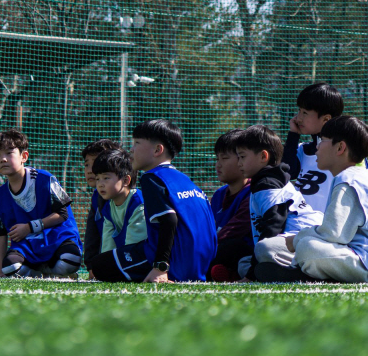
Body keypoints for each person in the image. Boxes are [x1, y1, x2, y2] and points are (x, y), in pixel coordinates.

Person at [283, 115, 368, 283]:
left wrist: (297, 239)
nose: (318, 147)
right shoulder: (356, 176)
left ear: (340, 147)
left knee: (307, 247)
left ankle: (302, 272)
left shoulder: (348, 181)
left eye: (323, 140)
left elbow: (332, 234)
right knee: (302, 244)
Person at [130, 119, 217, 283]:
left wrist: (160, 268)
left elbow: (169, 219)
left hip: (174, 265)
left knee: (101, 265)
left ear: (157, 149)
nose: (131, 149)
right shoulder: (186, 180)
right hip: (202, 266)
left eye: (136, 143)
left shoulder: (152, 177)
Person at [234, 124, 322, 281]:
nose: (238, 162)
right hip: (300, 242)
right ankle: (292, 271)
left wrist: (250, 276)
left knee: (263, 249)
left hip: (306, 242)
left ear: (263, 156)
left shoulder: (267, 183)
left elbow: (274, 224)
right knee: (244, 262)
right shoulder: (266, 179)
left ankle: (306, 273)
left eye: (242, 157)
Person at [0, 130, 82, 278]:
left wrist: (29, 227)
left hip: (56, 238)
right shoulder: (0, 196)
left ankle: (52, 270)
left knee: (71, 259)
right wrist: (0, 271)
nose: (3, 159)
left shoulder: (45, 179)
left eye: (9, 153)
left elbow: (63, 214)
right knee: (9, 268)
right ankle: (44, 271)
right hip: (27, 247)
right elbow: (1, 234)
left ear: (24, 156)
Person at [87, 148, 149, 282]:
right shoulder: (108, 206)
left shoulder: (138, 203)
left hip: (145, 257)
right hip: (127, 255)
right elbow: (107, 245)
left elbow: (134, 247)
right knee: (98, 264)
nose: (100, 184)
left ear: (126, 180)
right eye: (97, 179)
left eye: (106, 178)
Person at [281, 83, 344, 215]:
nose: (298, 118)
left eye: (305, 113)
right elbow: (287, 173)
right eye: (299, 111)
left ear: (326, 119)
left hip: (327, 231)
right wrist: (293, 135)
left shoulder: (345, 151)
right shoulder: (303, 149)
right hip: (299, 227)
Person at [208, 129, 251, 282]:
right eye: (217, 158)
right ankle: (226, 274)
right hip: (219, 250)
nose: (218, 165)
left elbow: (234, 231)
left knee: (232, 246)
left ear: (242, 160)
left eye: (224, 158)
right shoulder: (219, 195)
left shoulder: (254, 192)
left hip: (244, 254)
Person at [80, 138, 121, 275]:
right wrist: (91, 264)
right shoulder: (96, 196)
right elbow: (92, 233)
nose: (90, 170)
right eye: (87, 165)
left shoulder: (125, 199)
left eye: (96, 163)